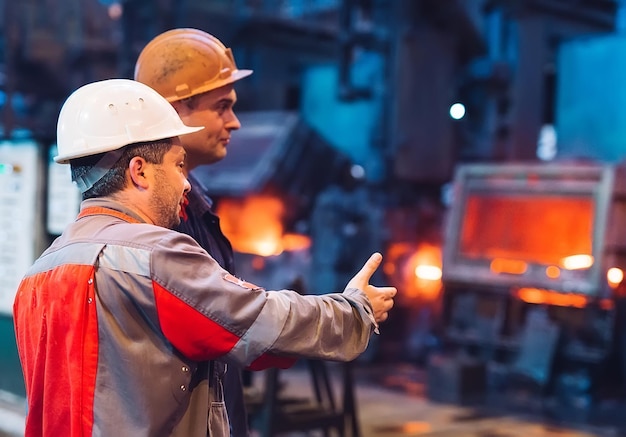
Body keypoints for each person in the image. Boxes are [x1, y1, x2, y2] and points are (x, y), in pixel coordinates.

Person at [12, 78, 397, 437]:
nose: (185, 183)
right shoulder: (154, 256)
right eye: (179, 166)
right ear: (140, 171)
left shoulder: (37, 276)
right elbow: (262, 326)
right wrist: (353, 311)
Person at [133, 28, 254, 435]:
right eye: (222, 106)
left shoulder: (193, 206)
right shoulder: (152, 221)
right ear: (173, 111)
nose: (234, 122)